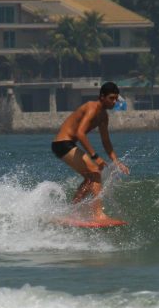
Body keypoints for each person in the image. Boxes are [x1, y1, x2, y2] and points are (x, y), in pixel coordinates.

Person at [51, 81, 129, 221]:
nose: (114, 102)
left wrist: (116, 161)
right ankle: (98, 214)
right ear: (102, 96)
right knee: (95, 172)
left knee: (90, 178)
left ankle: (72, 211)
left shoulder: (104, 116)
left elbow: (106, 141)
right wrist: (95, 156)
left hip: (67, 144)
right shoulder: (92, 107)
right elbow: (80, 133)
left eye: (116, 98)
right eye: (111, 98)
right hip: (62, 143)